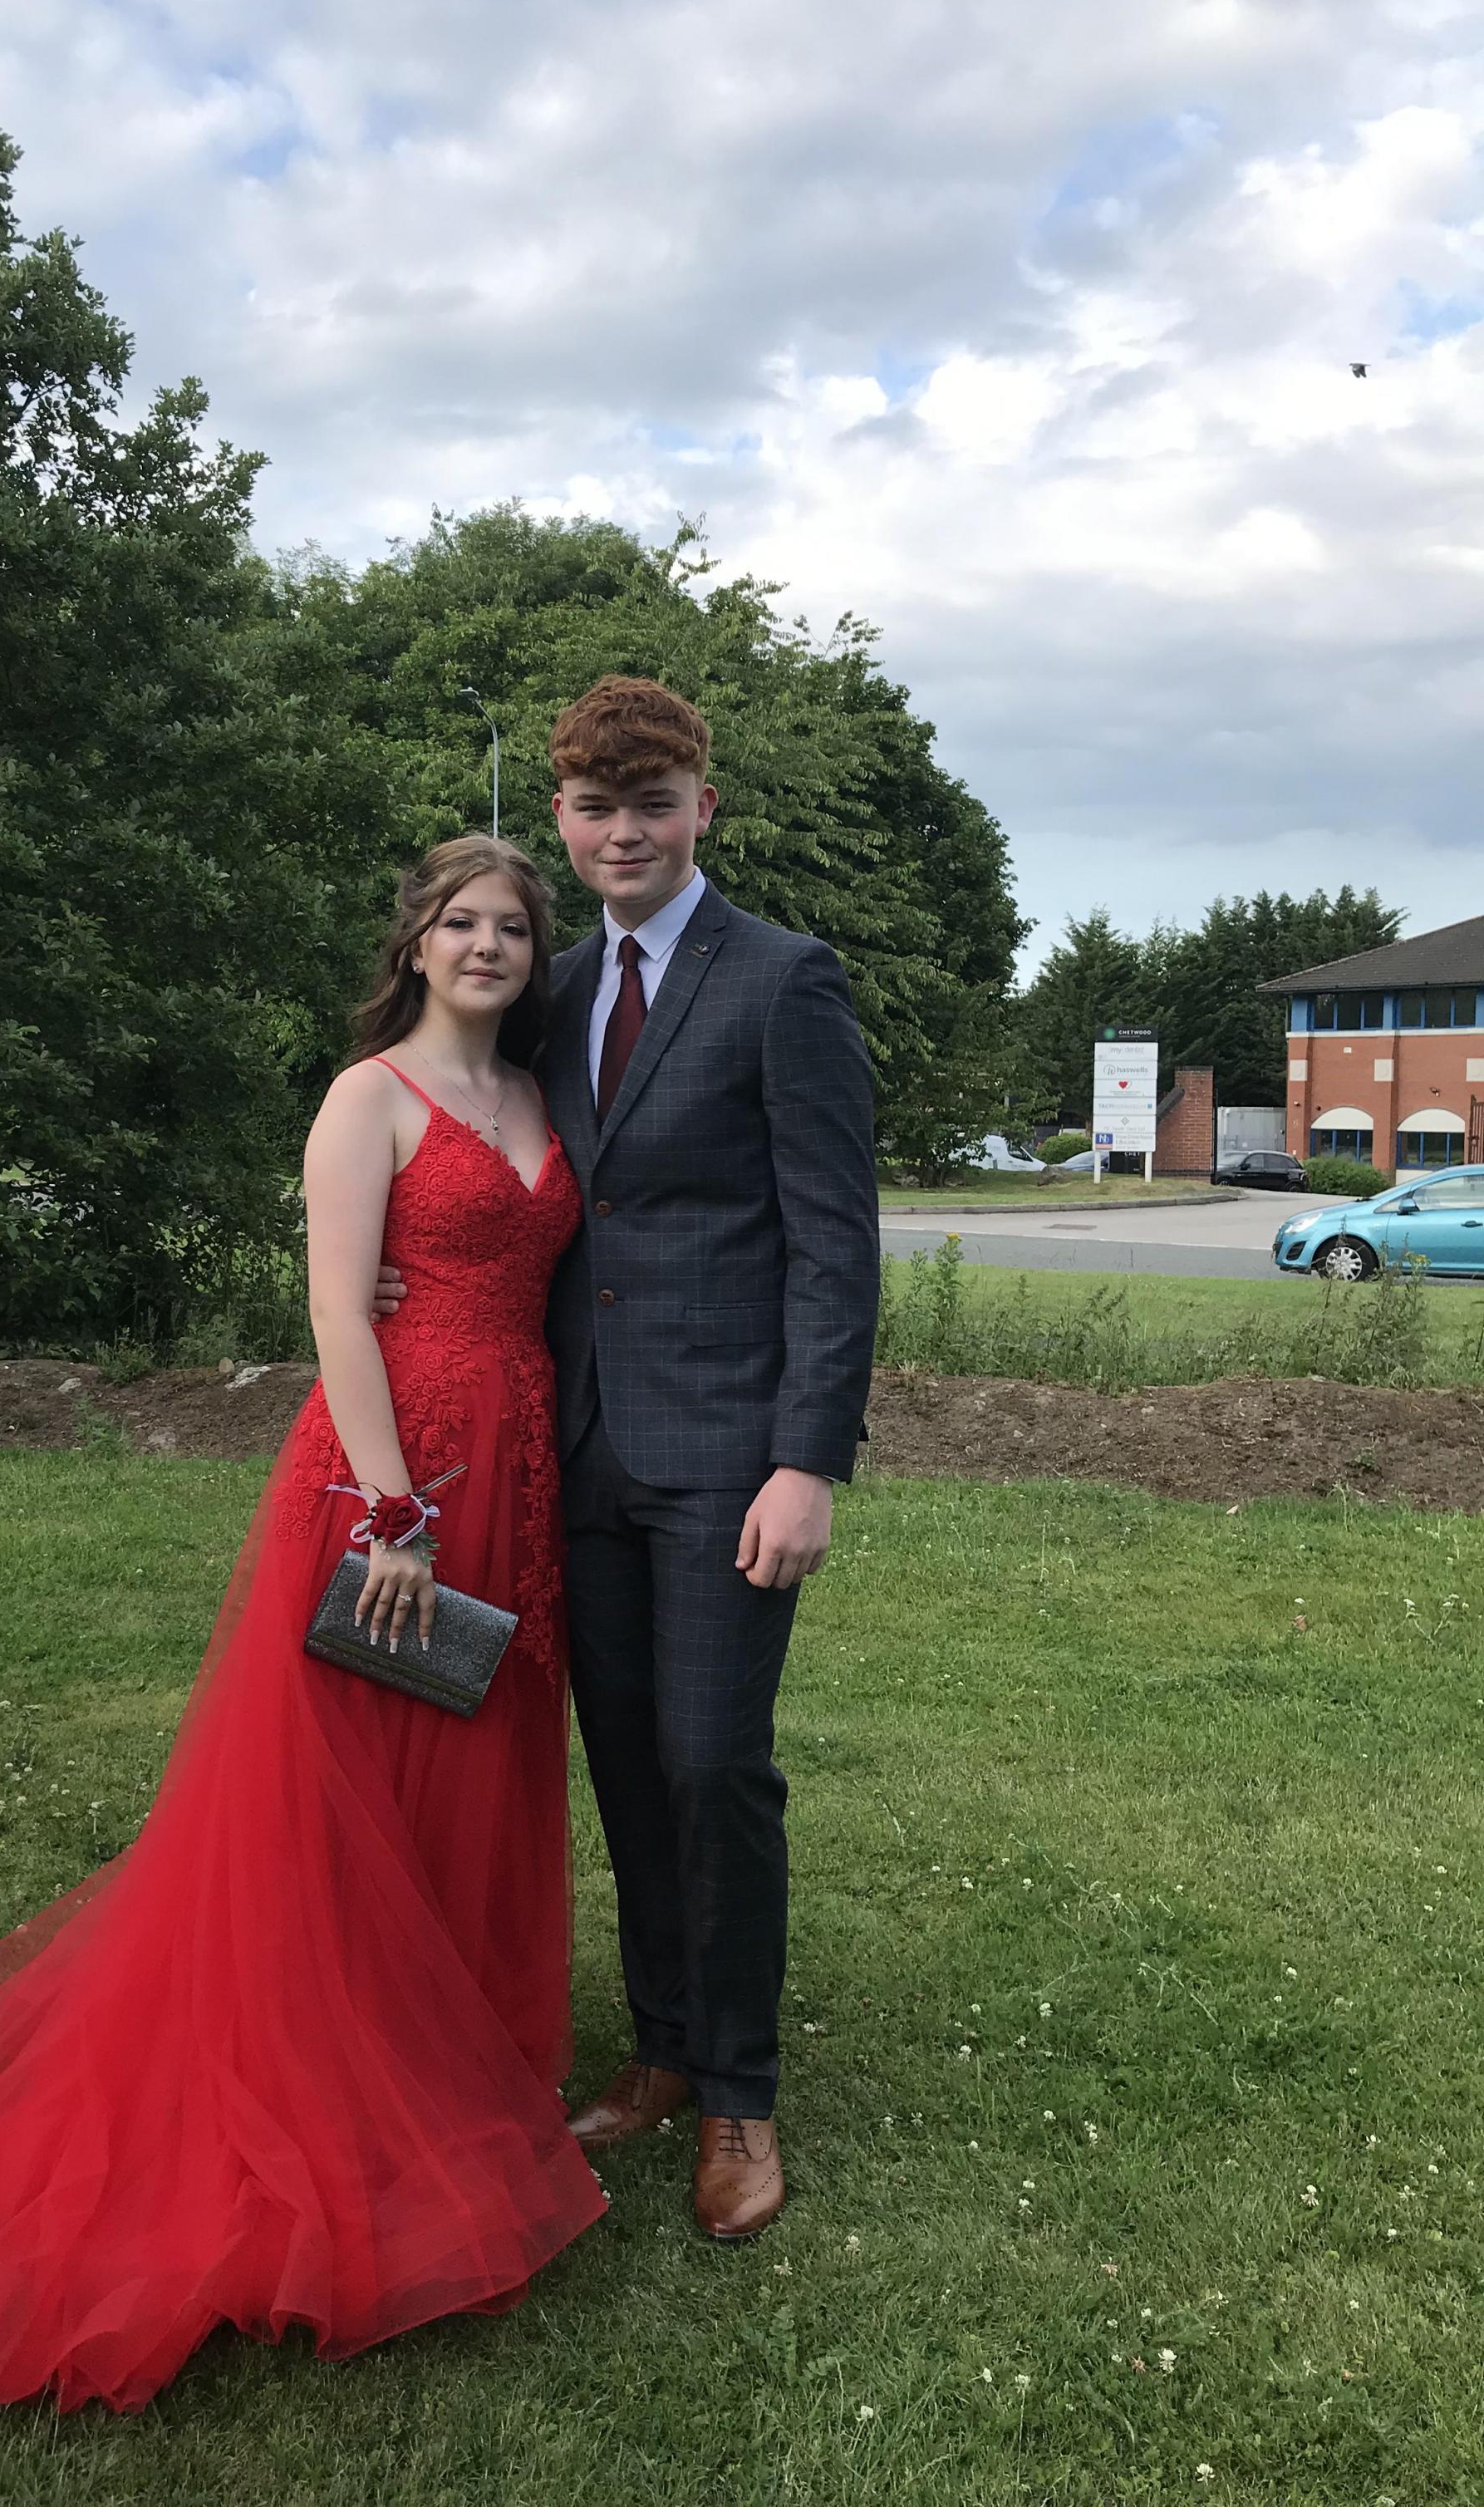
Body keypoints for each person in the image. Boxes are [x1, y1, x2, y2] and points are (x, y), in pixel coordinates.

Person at [0, 835, 604, 2412]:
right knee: (346, 1791)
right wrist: (393, 1512)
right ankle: (327, 2090)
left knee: (476, 1770)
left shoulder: (542, 1103)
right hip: (395, 1474)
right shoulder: (371, 1098)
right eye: (459, 922)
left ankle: (462, 2071)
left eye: (510, 924)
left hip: (517, 1466)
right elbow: (335, 1309)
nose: (485, 944)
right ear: (415, 943)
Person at [541, 675, 879, 2239]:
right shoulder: (543, 988)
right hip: (582, 1451)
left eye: (652, 802)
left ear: (702, 808)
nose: (625, 831)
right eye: (598, 808)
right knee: (622, 1762)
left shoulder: (782, 982)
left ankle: (740, 2097)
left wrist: (807, 1460)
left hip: (732, 1461)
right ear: (563, 819)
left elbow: (833, 1244)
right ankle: (665, 2047)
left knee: (713, 1766)